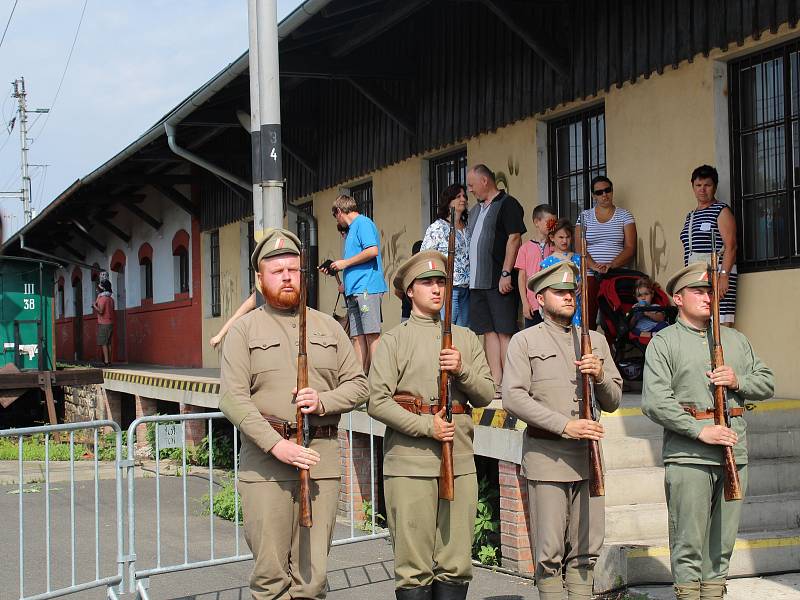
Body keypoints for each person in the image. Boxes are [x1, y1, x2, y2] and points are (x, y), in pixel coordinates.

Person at [219, 227, 369, 600]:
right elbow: (232, 399)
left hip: (321, 460)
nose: (287, 277)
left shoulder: (328, 327)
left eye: (293, 269)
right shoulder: (243, 331)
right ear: (259, 277)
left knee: (312, 578)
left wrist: (323, 402)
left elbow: (359, 385)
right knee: (271, 578)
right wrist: (276, 445)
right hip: (266, 465)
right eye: (276, 270)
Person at [641, 263, 774, 600]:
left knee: (721, 545)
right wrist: (700, 431)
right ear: (677, 298)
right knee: (688, 544)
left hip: (734, 450)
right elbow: (655, 402)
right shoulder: (664, 343)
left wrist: (738, 380)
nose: (706, 297)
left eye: (710, 291)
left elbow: (767, 381)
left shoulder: (735, 339)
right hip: (690, 456)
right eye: (698, 291)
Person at [368, 250, 494, 600]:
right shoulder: (394, 341)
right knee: (413, 568)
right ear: (410, 291)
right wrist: (427, 427)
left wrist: (462, 369)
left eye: (441, 282)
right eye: (427, 283)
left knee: (455, 562)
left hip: (460, 459)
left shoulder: (466, 339)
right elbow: (376, 402)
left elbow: (485, 393)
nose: (436, 289)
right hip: (409, 463)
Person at [502, 261, 622, 600]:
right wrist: (565, 425)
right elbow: (512, 397)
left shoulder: (595, 341)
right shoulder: (524, 341)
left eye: (572, 292)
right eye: (560, 292)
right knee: (549, 554)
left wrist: (599, 374)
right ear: (540, 298)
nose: (569, 297)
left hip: (588, 459)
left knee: (585, 553)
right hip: (547, 457)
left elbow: (612, 400)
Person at [465, 164, 526, 396]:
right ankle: (496, 383)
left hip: (498, 279)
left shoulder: (508, 204)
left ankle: (511, 384)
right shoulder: (476, 210)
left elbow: (514, 238)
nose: (470, 190)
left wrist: (505, 273)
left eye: (472, 185)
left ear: (484, 181)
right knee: (488, 332)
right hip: (477, 283)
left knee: (504, 331)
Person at [325, 194, 388, 374]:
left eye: (335, 216)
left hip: (367, 288)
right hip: (354, 290)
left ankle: (376, 381)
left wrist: (344, 263)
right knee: (357, 337)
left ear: (339, 211)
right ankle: (358, 380)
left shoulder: (363, 223)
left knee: (371, 335)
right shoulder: (352, 229)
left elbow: (372, 250)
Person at [575, 175, 637, 330]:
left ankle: (611, 351)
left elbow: (630, 247)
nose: (604, 195)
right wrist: (594, 266)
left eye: (607, 190)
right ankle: (587, 353)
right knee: (587, 319)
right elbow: (579, 246)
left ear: (612, 191)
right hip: (589, 273)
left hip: (615, 274)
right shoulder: (585, 216)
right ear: (593, 196)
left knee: (614, 320)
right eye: (599, 192)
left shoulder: (625, 215)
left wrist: (611, 265)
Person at [680, 164, 738, 327]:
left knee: (721, 327)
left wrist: (724, 276)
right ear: (693, 187)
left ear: (715, 187)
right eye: (698, 185)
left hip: (718, 276)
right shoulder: (690, 216)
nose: (702, 190)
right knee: (698, 326)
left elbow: (731, 246)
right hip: (697, 277)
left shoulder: (721, 210)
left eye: (707, 185)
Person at [421, 183, 471, 326]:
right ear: (448, 201)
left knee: (464, 332)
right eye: (458, 196)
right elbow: (425, 256)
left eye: (464, 196)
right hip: (449, 287)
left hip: (467, 289)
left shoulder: (467, 227)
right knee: (446, 328)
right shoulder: (437, 227)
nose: (463, 199)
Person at [514, 204, 556, 328]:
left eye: (555, 222)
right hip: (533, 304)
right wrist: (525, 303)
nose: (552, 225)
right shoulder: (525, 248)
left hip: (551, 303)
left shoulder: (555, 246)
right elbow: (522, 278)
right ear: (536, 222)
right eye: (549, 221)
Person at [539, 217, 582, 327]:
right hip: (556, 305)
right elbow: (542, 286)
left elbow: (582, 278)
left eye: (568, 237)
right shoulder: (547, 262)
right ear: (552, 237)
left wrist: (582, 284)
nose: (564, 241)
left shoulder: (578, 258)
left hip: (575, 303)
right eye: (561, 237)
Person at [93, 279, 115, 367]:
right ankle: (109, 360)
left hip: (103, 323)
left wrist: (94, 306)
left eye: (99, 287)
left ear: (103, 288)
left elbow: (101, 311)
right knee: (108, 343)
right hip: (110, 322)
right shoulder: (111, 299)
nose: (98, 289)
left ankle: (106, 361)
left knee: (104, 343)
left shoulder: (102, 299)